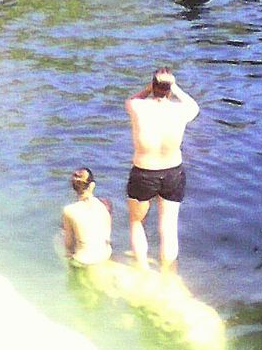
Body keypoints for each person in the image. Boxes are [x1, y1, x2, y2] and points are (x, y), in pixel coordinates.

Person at [125, 68, 199, 272]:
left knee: (136, 222)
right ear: (169, 89)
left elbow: (131, 98)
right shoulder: (181, 110)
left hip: (143, 172)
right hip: (172, 173)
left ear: (153, 86)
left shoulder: (137, 106)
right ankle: (168, 273)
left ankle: (142, 270)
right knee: (168, 228)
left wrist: (148, 88)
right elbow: (194, 105)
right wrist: (175, 88)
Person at [60, 168, 113, 266]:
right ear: (92, 185)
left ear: (73, 187)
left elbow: (69, 244)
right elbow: (107, 237)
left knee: (60, 236)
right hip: (105, 254)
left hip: (83, 260)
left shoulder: (69, 210)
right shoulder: (105, 204)